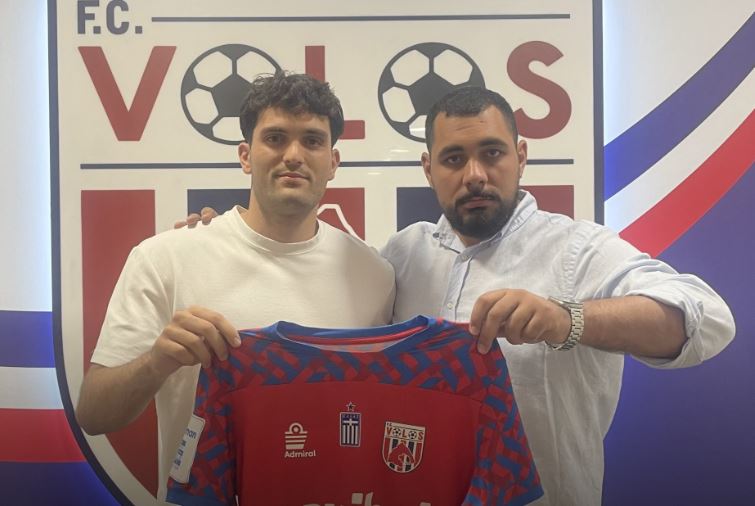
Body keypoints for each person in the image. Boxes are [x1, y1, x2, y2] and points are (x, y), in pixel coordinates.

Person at [185, 86, 735, 506]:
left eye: (492, 153)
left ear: (521, 156)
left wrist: (563, 319)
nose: (475, 174)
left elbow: (707, 320)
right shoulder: (402, 254)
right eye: (453, 159)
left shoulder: (579, 250)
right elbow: (307, 270)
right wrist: (223, 236)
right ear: (429, 169)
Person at [75, 72, 395, 503]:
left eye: (312, 141)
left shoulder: (375, 275)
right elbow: (94, 414)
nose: (294, 155)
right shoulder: (165, 257)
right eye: (275, 138)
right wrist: (156, 362)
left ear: (333, 162)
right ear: (246, 155)